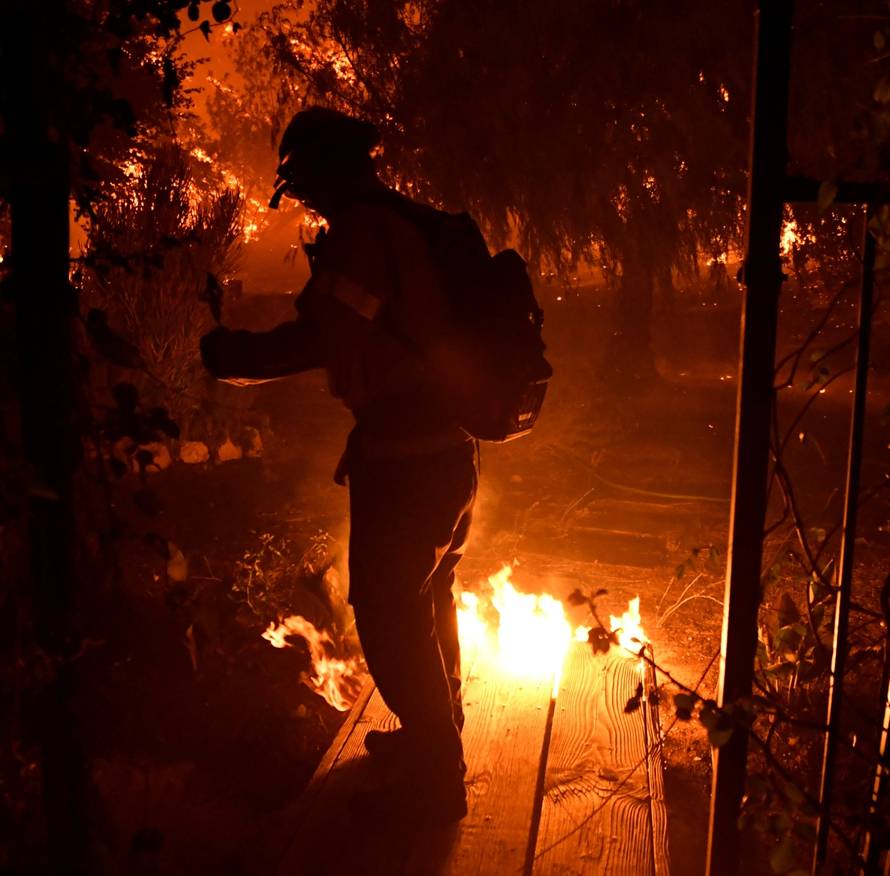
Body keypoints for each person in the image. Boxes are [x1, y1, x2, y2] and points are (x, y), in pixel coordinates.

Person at [200, 107, 476, 823]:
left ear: (327, 168)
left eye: (303, 182)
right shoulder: (404, 223)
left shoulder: (362, 235)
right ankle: (434, 733)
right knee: (428, 595)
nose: (303, 198)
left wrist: (225, 355)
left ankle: (438, 776)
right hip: (447, 448)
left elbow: (315, 338)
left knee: (385, 611)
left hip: (405, 457)